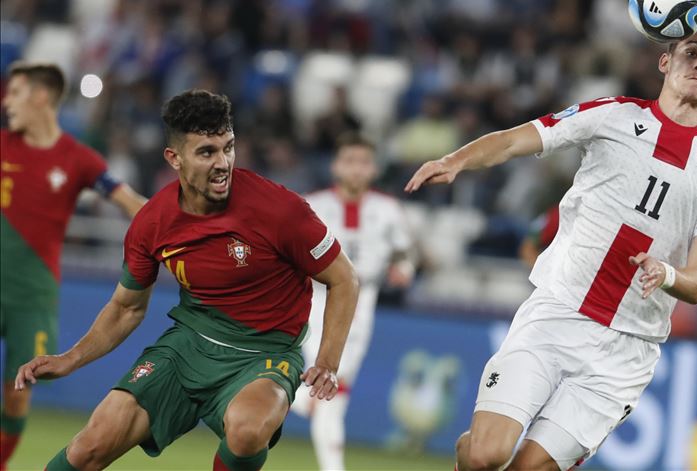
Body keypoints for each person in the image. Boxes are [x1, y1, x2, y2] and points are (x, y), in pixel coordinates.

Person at [406, 24, 697, 470]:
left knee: (530, 467)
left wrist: (667, 274)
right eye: (691, 53)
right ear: (665, 62)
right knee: (485, 454)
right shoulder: (612, 115)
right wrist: (456, 160)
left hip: (626, 348)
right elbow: (516, 139)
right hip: (557, 311)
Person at [15, 89, 360, 471]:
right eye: (207, 152)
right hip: (188, 346)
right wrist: (70, 359)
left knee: (247, 430)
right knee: (91, 445)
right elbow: (127, 307)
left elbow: (343, 278)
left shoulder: (281, 209)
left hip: (267, 353)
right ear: (174, 158)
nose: (223, 163)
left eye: (228, 148)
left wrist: (327, 362)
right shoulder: (153, 221)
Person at [0, 62, 147, 469]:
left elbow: (129, 202)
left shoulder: (79, 159)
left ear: (41, 97)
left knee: (18, 390)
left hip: (33, 293)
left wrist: (182, 228)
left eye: (14, 92)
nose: (6, 101)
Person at [291, 132, 415, 470]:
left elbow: (404, 251)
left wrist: (403, 267)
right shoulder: (311, 204)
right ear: (335, 166)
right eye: (350, 161)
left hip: (365, 299)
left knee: (329, 388)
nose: (356, 169)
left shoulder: (388, 210)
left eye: (364, 162)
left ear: (374, 169)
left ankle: (281, 395)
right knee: (330, 381)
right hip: (317, 297)